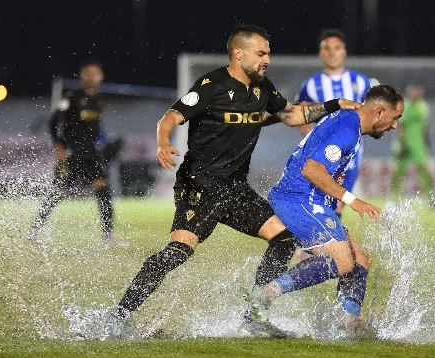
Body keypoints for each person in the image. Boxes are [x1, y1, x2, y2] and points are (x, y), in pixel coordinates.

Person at [109, 25, 360, 336]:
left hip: (236, 189)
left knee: (284, 237)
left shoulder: (262, 88)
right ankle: (118, 315)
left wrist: (335, 104)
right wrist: (163, 142)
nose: (267, 58)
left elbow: (293, 115)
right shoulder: (211, 85)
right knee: (178, 252)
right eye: (261, 53)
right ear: (239, 54)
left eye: (268, 52)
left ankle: (254, 314)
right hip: (200, 186)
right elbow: (170, 117)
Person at [247, 85, 404, 337]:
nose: (395, 125)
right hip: (297, 198)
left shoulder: (350, 123)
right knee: (341, 261)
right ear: (380, 111)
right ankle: (263, 296)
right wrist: (354, 200)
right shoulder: (347, 128)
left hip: (312, 200)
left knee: (360, 259)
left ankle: (347, 325)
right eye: (395, 117)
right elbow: (311, 169)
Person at [29, 60, 124, 246]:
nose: (91, 76)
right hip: (72, 152)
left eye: (95, 73)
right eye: (88, 73)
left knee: (103, 189)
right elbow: (53, 122)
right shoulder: (71, 98)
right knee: (60, 191)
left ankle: (108, 236)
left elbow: (94, 128)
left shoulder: (100, 99)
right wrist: (59, 146)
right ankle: (35, 231)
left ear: (101, 77)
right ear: (82, 76)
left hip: (91, 153)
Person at [296, 29, 374, 217]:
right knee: (318, 207)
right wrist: (315, 139)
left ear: (345, 51)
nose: (332, 52)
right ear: (321, 53)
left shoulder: (362, 82)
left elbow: (372, 115)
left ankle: (315, 245)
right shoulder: (311, 85)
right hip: (321, 159)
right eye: (327, 48)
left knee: (336, 208)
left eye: (337, 48)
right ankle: (313, 245)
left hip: (350, 161)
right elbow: (300, 116)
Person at [390, 85, 434, 200]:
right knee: (399, 171)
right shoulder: (405, 106)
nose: (416, 93)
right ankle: (393, 198)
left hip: (418, 144)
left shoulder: (424, 106)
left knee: (424, 169)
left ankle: (431, 198)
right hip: (405, 144)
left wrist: (427, 141)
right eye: (414, 91)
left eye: (418, 91)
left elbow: (425, 126)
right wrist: (402, 143)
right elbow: (400, 125)